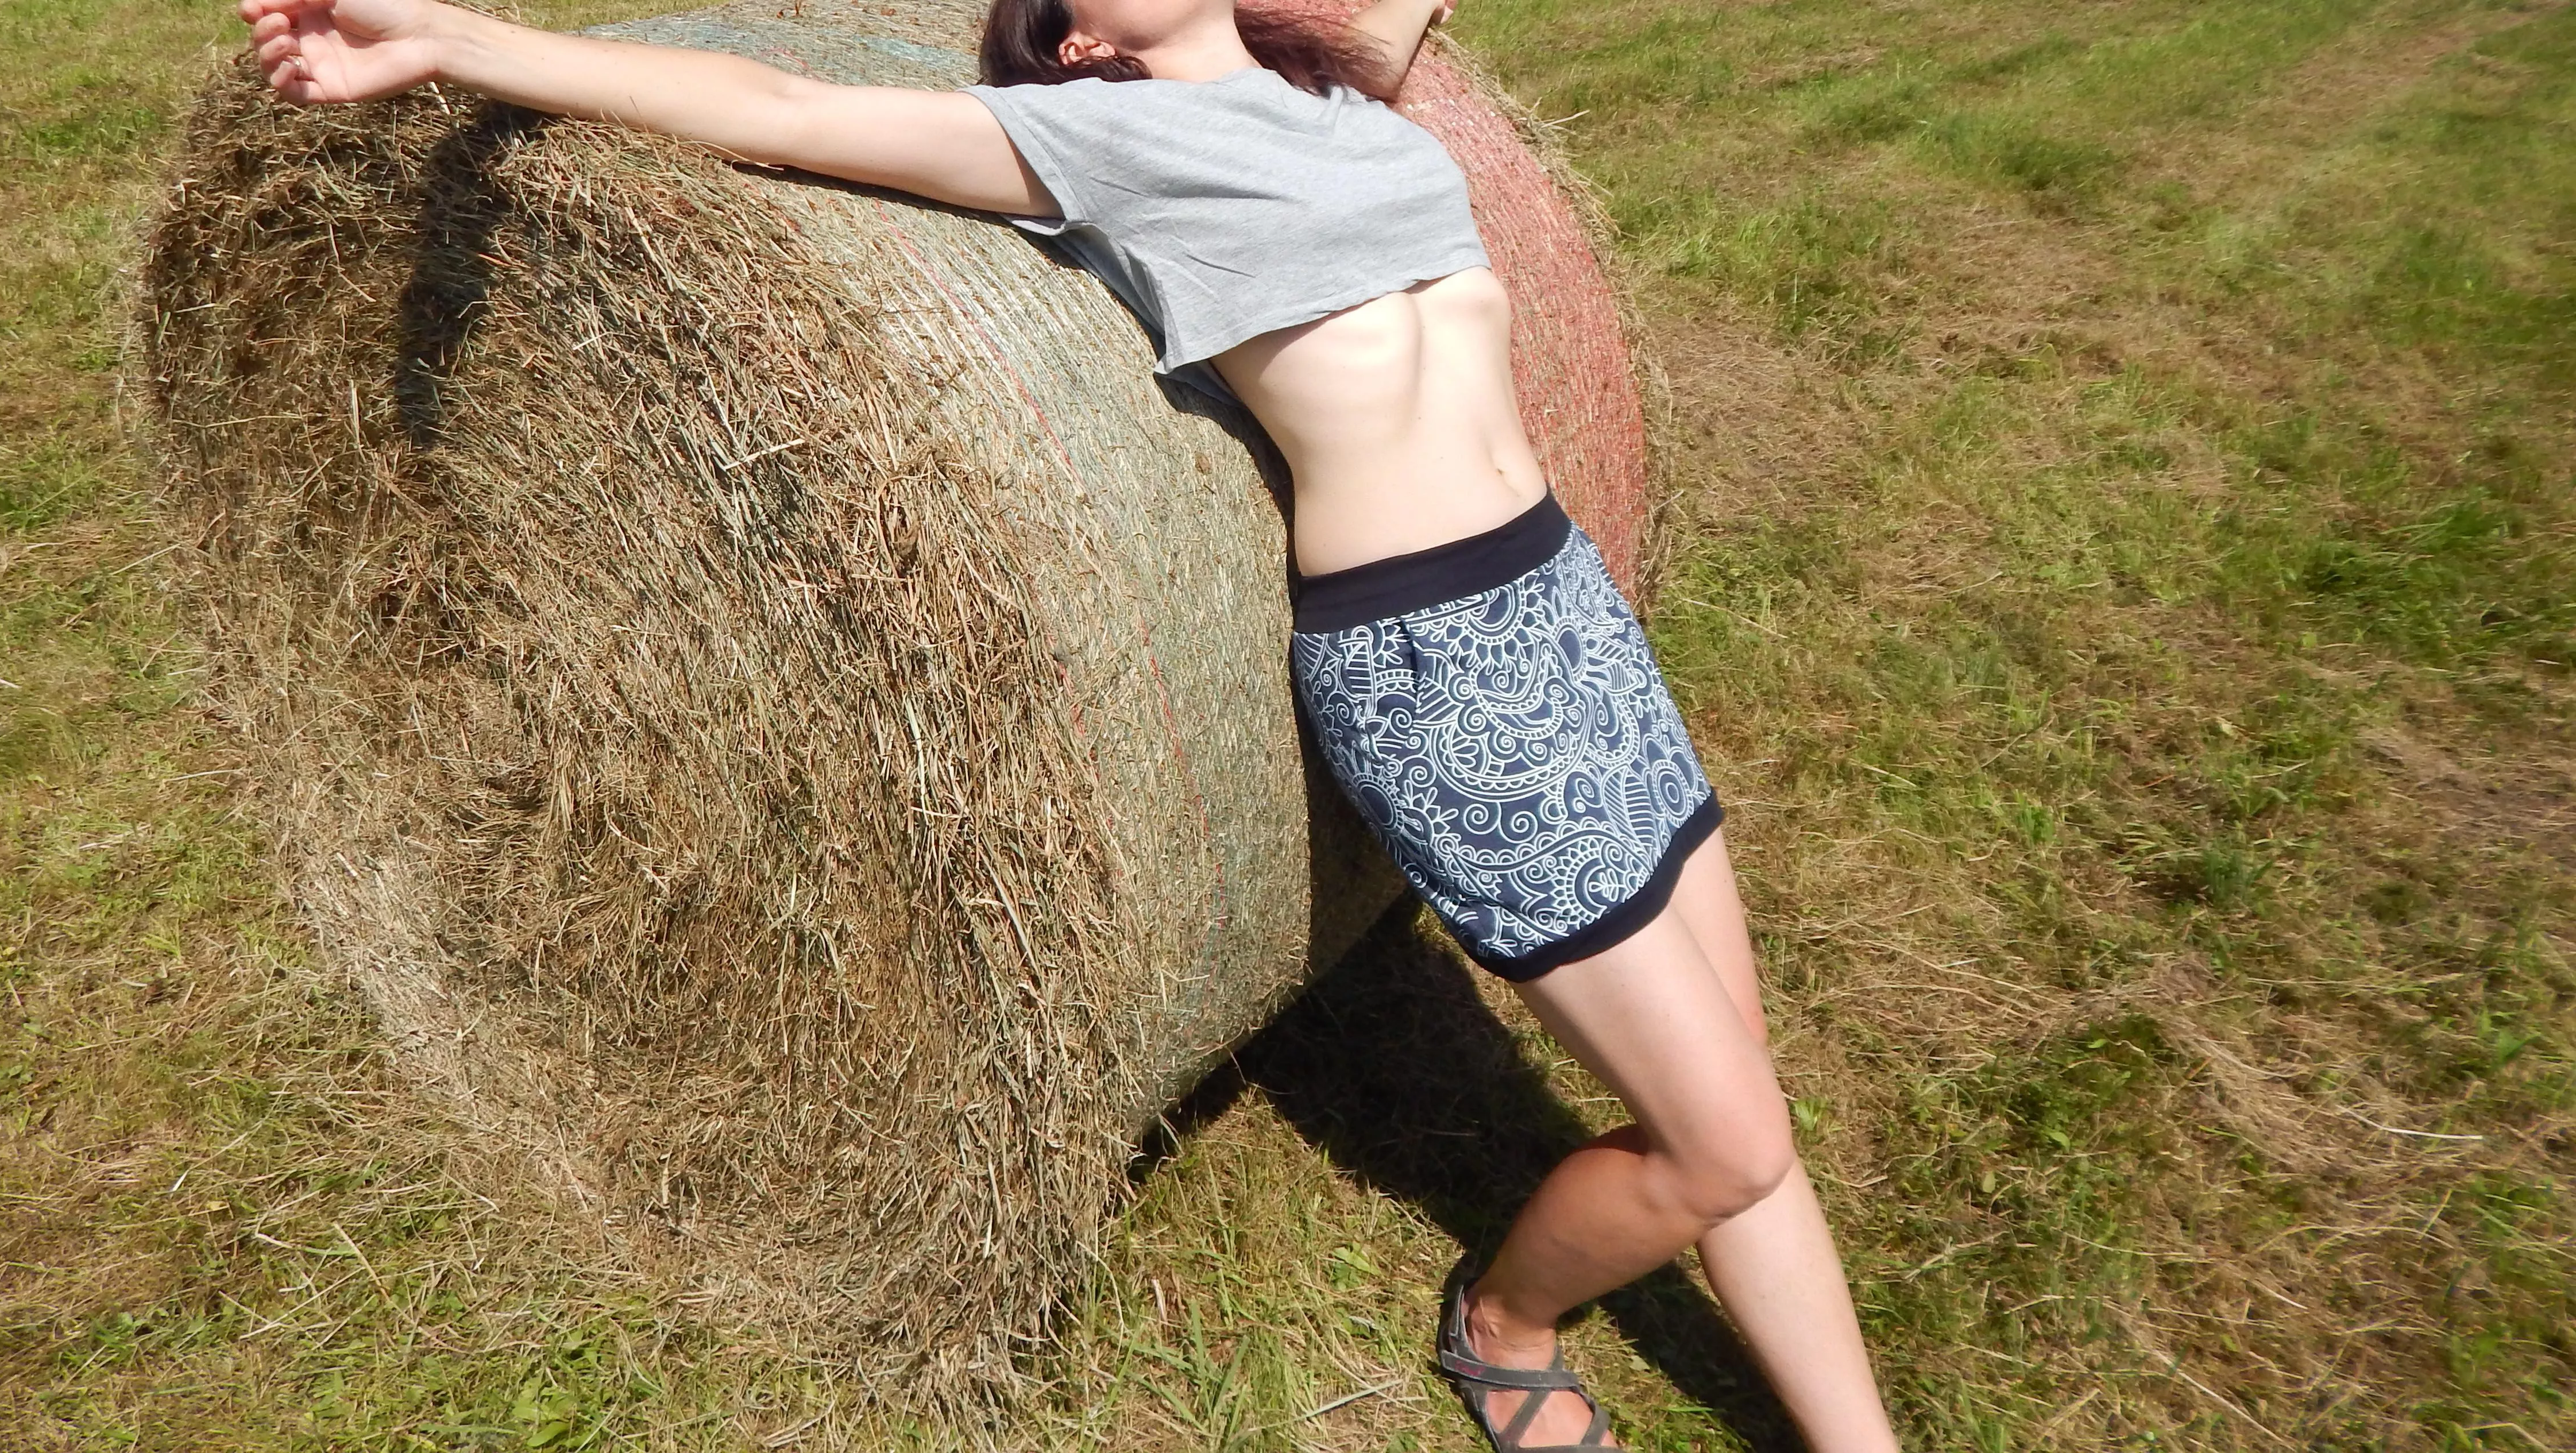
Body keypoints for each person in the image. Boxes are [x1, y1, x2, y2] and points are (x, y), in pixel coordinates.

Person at [235, 1, 1902, 1447]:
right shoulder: (1102, 136)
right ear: (1088, 38)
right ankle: (1508, 1328)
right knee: (1727, 1143)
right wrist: (445, 37)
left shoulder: (1340, 99)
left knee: (1734, 1092)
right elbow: (792, 112)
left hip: (1564, 601)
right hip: (1438, 662)